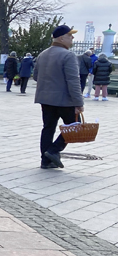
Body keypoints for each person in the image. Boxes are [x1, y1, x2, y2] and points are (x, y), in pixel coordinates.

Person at [33, 25, 84, 169]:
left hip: (45, 99)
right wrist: (78, 103)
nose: (72, 38)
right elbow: (73, 81)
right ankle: (53, 151)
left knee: (48, 128)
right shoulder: (69, 55)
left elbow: (36, 76)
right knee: (75, 127)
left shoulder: (42, 54)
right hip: (65, 101)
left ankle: (45, 161)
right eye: (70, 35)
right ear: (61, 38)